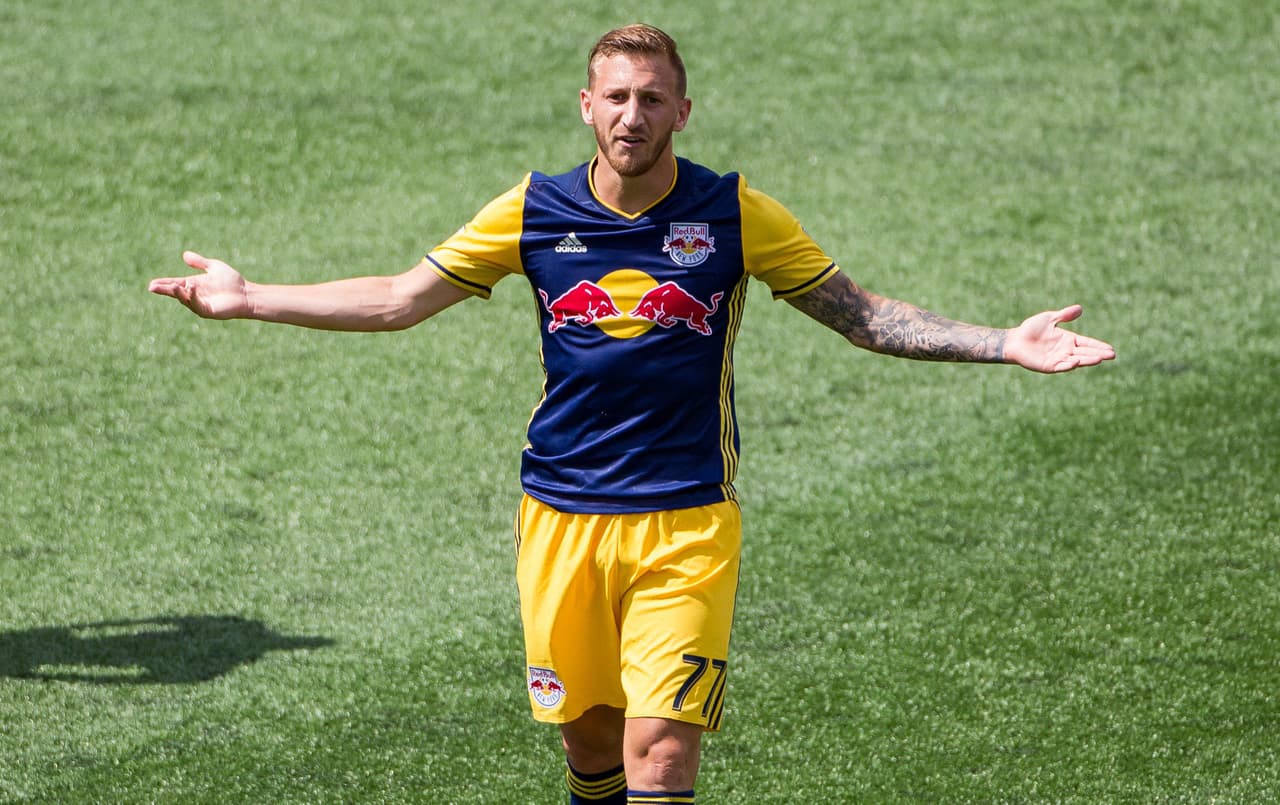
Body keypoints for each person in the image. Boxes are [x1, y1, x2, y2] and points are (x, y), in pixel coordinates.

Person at [149, 23, 1115, 804]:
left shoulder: (738, 215)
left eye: (654, 98)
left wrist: (1002, 340)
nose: (633, 114)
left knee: (661, 756)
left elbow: (861, 316)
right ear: (586, 106)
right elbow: (401, 298)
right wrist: (252, 296)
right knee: (593, 746)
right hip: (560, 519)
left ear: (683, 111)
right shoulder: (530, 210)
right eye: (616, 96)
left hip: (686, 521)